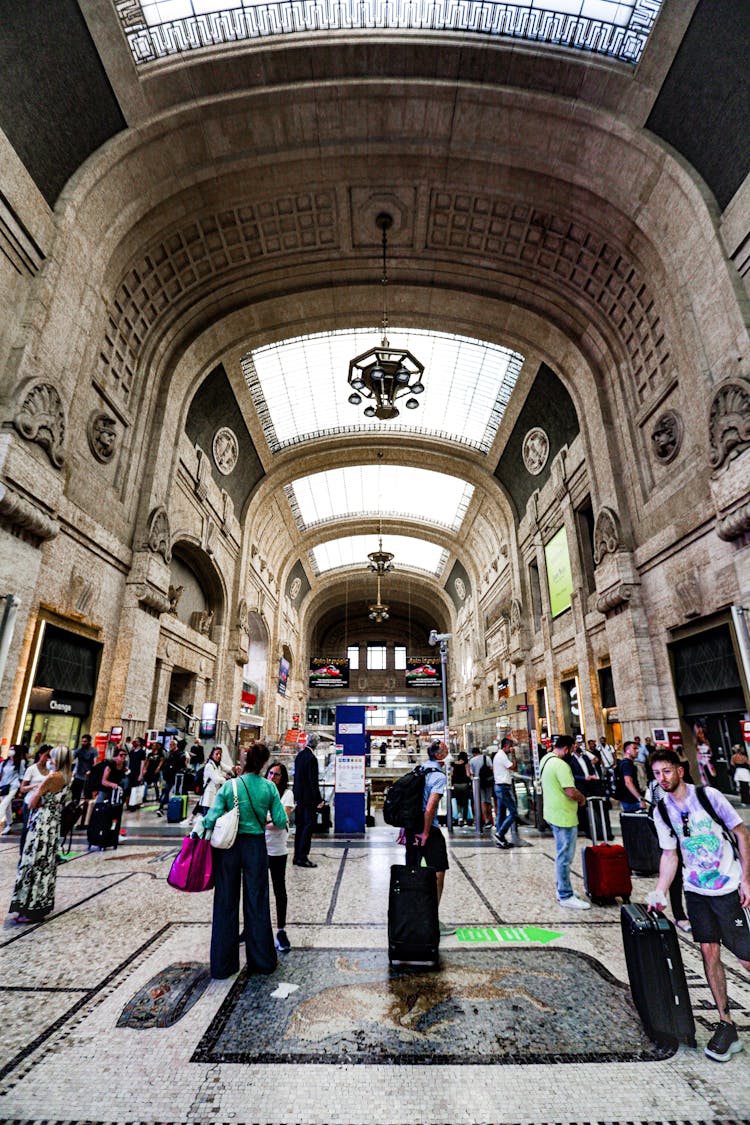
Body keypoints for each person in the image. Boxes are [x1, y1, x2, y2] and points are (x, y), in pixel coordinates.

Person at [649, 748, 750, 1063]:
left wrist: (747, 879)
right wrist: (660, 890)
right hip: (696, 892)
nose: (662, 779)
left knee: (746, 958)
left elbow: (742, 834)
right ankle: (726, 1022)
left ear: (680, 769)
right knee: (709, 953)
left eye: (666, 771)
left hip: (729, 888)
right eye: (656, 774)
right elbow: (670, 854)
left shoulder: (709, 797)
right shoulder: (662, 810)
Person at [201, 741, 287, 978]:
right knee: (257, 902)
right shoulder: (269, 788)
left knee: (225, 902)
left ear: (246, 761)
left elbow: (211, 818)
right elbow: (280, 820)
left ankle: (223, 965)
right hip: (255, 848)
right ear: (263, 764)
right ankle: (261, 961)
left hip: (228, 848)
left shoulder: (230, 786)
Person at [10, 745, 73, 922]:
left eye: (52, 758)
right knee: (45, 863)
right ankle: (40, 903)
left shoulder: (53, 777)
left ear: (58, 760)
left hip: (41, 823)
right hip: (53, 823)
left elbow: (32, 803)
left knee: (33, 861)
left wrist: (39, 792)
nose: (50, 761)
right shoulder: (68, 778)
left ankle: (29, 907)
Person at [404, 739, 453, 935]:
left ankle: (411, 916)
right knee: (438, 871)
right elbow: (431, 807)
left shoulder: (420, 769)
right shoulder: (438, 776)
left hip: (410, 828)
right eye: (446, 750)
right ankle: (431, 917)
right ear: (439, 755)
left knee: (412, 871)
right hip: (427, 829)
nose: (448, 752)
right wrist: (425, 832)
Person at [539, 734, 590, 909]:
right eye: (573, 749)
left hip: (552, 812)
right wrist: (582, 799)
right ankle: (565, 895)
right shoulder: (560, 765)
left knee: (562, 854)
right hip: (563, 816)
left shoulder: (546, 759)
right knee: (565, 856)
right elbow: (570, 791)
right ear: (567, 749)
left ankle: (562, 887)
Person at [265, 760, 294, 953]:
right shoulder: (262, 792)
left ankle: (281, 929)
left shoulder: (287, 794)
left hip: (277, 850)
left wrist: (265, 820)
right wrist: (269, 820)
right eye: (270, 773)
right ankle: (253, 927)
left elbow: (280, 821)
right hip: (260, 848)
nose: (272, 777)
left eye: (276, 774)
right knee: (256, 890)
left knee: (279, 890)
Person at [292, 734, 324, 868]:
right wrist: (318, 799)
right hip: (309, 799)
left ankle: (296, 855)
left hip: (299, 797)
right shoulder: (312, 758)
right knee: (308, 826)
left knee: (300, 826)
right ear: (316, 744)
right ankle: (303, 857)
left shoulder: (300, 756)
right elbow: (313, 781)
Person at [18, 745, 52, 854]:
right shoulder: (31, 769)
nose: (48, 759)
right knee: (27, 829)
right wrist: (35, 786)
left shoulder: (51, 771)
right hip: (30, 803)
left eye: (50, 756)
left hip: (43, 804)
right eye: (46, 755)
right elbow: (23, 788)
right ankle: (22, 853)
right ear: (40, 755)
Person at [492, 737, 518, 848]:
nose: (511, 749)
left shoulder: (500, 755)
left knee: (501, 814)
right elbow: (514, 767)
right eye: (510, 746)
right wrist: (514, 755)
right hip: (503, 787)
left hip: (500, 786)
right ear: (506, 746)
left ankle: (500, 840)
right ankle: (500, 833)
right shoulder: (502, 756)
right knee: (513, 813)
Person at [199, 744, 231, 816]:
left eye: (220, 754)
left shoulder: (218, 764)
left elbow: (228, 768)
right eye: (216, 754)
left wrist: (235, 769)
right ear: (212, 755)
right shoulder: (209, 766)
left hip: (215, 795)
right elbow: (216, 779)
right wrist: (225, 779)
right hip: (208, 795)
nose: (218, 756)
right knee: (206, 817)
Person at [615, 740, 647, 812]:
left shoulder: (627, 763)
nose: (637, 751)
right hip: (630, 801)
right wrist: (640, 798)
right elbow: (628, 782)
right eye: (634, 748)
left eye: (637, 748)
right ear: (627, 750)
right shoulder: (627, 764)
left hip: (630, 799)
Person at [0, 745, 25, 835]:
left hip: (13, 786)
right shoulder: (5, 762)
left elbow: (22, 775)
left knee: (3, 804)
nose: (10, 750)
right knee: (7, 807)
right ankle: (9, 824)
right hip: (4, 787)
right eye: (9, 749)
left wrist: (21, 788)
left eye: (12, 749)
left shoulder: (20, 762)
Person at [157, 739, 185, 817]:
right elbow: (166, 764)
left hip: (176, 776)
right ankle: (161, 808)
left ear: (175, 745)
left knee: (175, 792)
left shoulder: (180, 754)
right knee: (166, 791)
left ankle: (174, 808)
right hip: (169, 776)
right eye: (170, 745)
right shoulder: (169, 754)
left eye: (172, 745)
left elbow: (181, 765)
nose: (170, 746)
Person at [469, 746, 494, 829]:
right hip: (488, 781)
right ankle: (490, 820)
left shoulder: (472, 760)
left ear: (474, 753)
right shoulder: (487, 758)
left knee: (482, 801)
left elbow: (471, 773)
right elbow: (491, 768)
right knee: (488, 800)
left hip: (478, 783)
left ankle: (486, 820)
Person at [71, 733, 96, 802]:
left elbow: (96, 763)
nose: (83, 743)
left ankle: (85, 811)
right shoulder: (79, 750)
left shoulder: (93, 751)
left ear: (89, 742)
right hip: (78, 776)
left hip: (88, 777)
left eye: (85, 741)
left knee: (87, 797)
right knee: (75, 795)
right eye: (82, 741)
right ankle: (74, 810)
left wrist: (91, 771)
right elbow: (72, 759)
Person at [450, 750, 471, 826]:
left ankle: (459, 816)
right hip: (464, 785)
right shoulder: (466, 764)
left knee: (458, 801)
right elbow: (468, 774)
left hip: (456, 785)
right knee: (465, 802)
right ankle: (465, 819)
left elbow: (451, 774)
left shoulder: (453, 764)